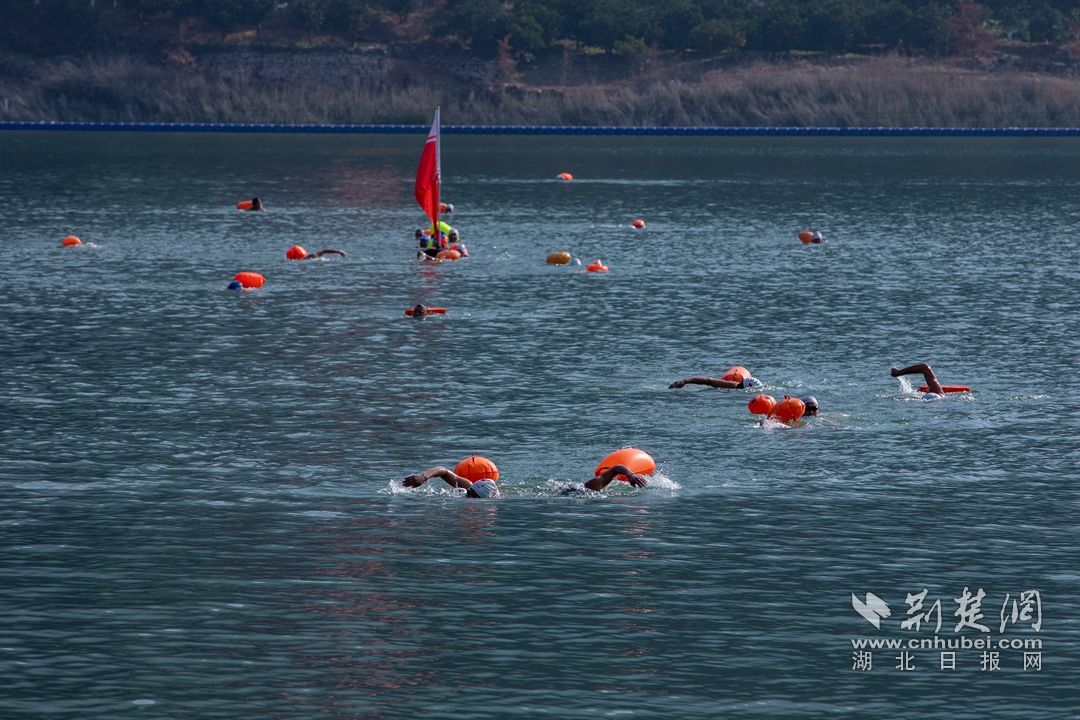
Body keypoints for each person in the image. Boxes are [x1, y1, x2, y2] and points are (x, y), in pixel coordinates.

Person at [403, 466, 500, 498]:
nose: (468, 497)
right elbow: (442, 470)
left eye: (473, 496)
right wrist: (424, 477)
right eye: (469, 492)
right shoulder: (468, 487)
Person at [669, 375, 762, 390]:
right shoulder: (733, 386)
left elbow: (708, 381)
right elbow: (708, 381)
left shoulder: (736, 386)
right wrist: (685, 381)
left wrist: (686, 381)